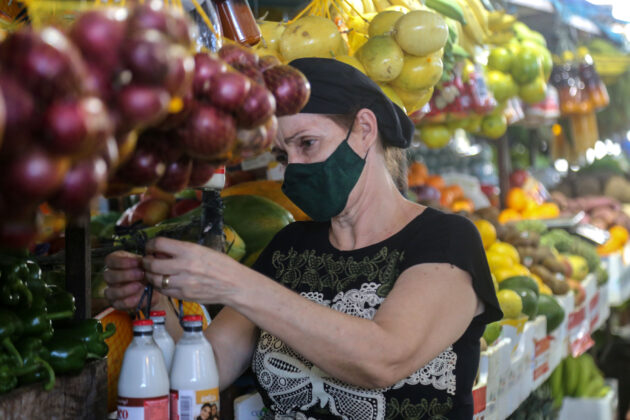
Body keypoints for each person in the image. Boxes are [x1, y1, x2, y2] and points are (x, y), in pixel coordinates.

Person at [104, 58, 502, 420]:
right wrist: (156, 302)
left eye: (307, 144)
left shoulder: (446, 240)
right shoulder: (289, 248)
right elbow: (213, 363)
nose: (293, 168)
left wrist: (234, 282)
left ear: (364, 129)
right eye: (282, 156)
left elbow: (382, 360)